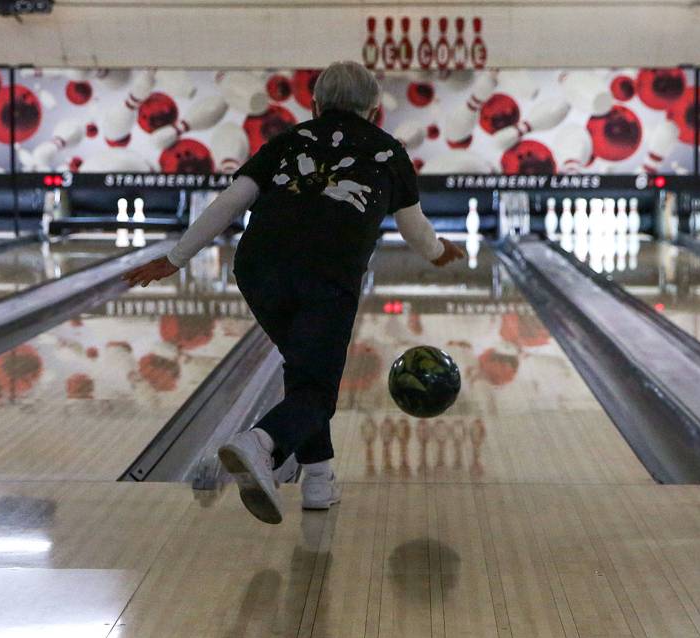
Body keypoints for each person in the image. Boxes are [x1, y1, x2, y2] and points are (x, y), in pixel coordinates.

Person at [123, 61, 464, 524]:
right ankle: (261, 442)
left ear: (315, 104)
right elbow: (415, 230)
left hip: (258, 269)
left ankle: (319, 480)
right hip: (327, 275)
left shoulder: (286, 141)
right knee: (317, 392)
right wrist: (440, 251)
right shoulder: (388, 151)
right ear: (375, 110)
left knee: (306, 371)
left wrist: (177, 258)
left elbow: (229, 203)